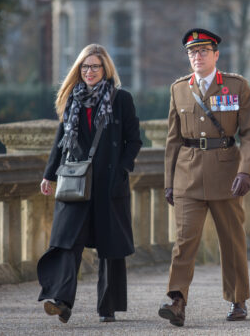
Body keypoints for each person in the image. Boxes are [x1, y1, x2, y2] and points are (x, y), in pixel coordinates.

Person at [158, 28, 250, 327]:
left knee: (231, 240)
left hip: (227, 174)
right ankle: (177, 301)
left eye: (204, 51)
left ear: (216, 55)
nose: (197, 56)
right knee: (184, 241)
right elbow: (173, 140)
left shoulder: (236, 86)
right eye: (192, 52)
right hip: (187, 176)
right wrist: (169, 182)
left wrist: (246, 170)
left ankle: (237, 299)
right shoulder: (179, 88)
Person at [37, 43, 142, 324]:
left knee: (109, 248)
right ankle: (62, 301)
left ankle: (107, 307)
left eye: (95, 66)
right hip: (76, 181)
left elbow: (134, 141)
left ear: (105, 68)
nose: (90, 71)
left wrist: (122, 169)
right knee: (67, 241)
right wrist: (49, 174)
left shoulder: (121, 99)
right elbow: (61, 141)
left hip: (108, 183)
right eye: (85, 66)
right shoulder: (73, 99)